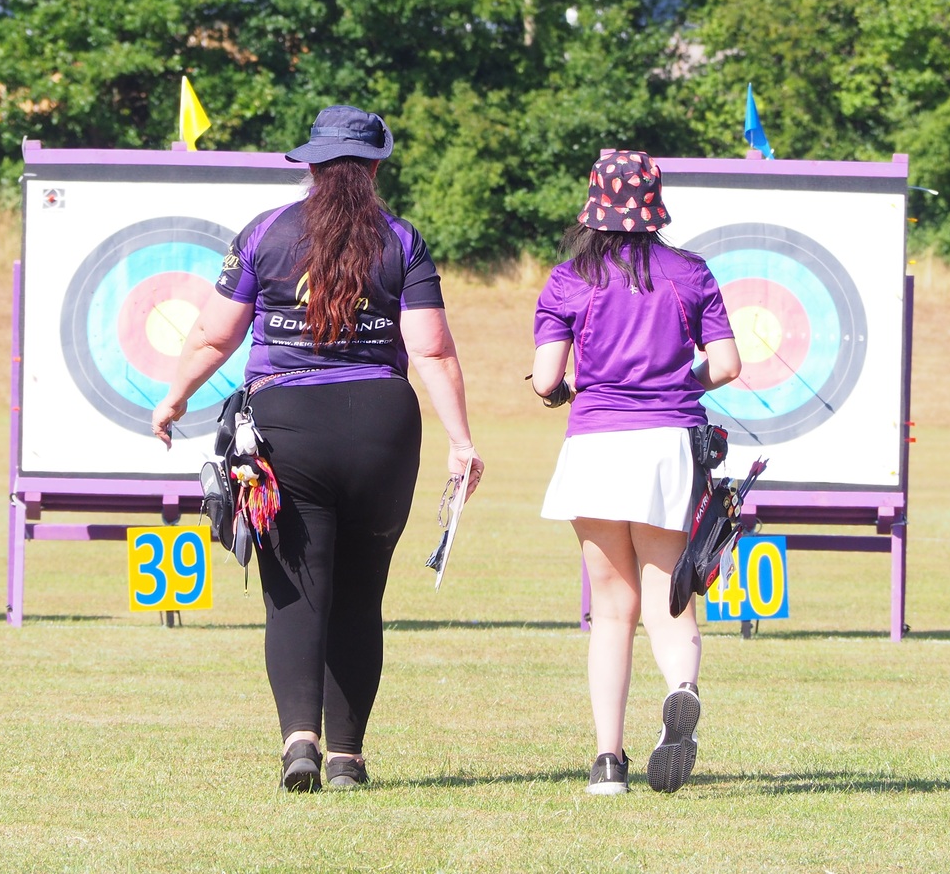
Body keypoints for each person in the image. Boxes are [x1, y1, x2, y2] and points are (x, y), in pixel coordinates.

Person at [151, 105, 483, 792]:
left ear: (309, 164)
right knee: (361, 598)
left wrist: (175, 396)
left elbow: (214, 337)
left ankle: (300, 741)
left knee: (297, 595)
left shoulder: (266, 233)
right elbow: (431, 348)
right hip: (384, 428)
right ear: (376, 164)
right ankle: (347, 758)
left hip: (285, 424)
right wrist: (461, 440)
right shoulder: (403, 239)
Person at [530, 149, 742, 796]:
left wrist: (564, 388)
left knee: (612, 608)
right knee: (668, 596)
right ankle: (681, 690)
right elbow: (727, 365)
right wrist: (684, 378)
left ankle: (607, 763)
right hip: (668, 445)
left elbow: (545, 380)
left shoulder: (569, 279)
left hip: (596, 443)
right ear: (654, 206)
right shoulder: (691, 272)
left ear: (594, 206)